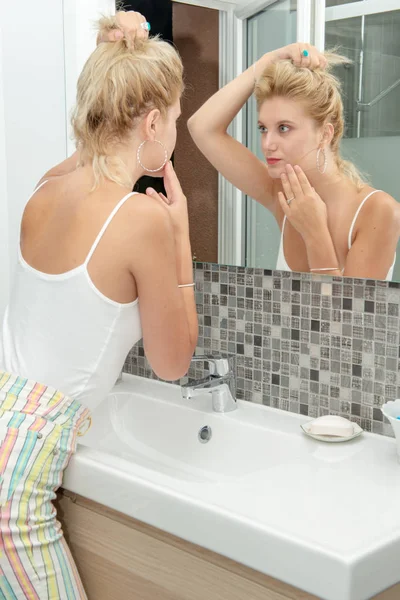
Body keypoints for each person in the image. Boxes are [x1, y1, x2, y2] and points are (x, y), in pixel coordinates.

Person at [0, 11, 197, 598]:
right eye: (177, 120)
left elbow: (95, 144)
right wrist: (181, 233)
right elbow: (172, 364)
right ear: (155, 121)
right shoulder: (141, 220)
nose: (176, 134)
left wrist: (114, 58)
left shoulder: (47, 187)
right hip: (12, 483)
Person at [188, 43, 400, 280]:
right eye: (263, 128)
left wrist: (315, 233)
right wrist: (267, 60)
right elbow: (201, 127)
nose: (268, 143)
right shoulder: (282, 192)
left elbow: (344, 315)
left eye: (284, 128)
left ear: (325, 134)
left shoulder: (378, 211)